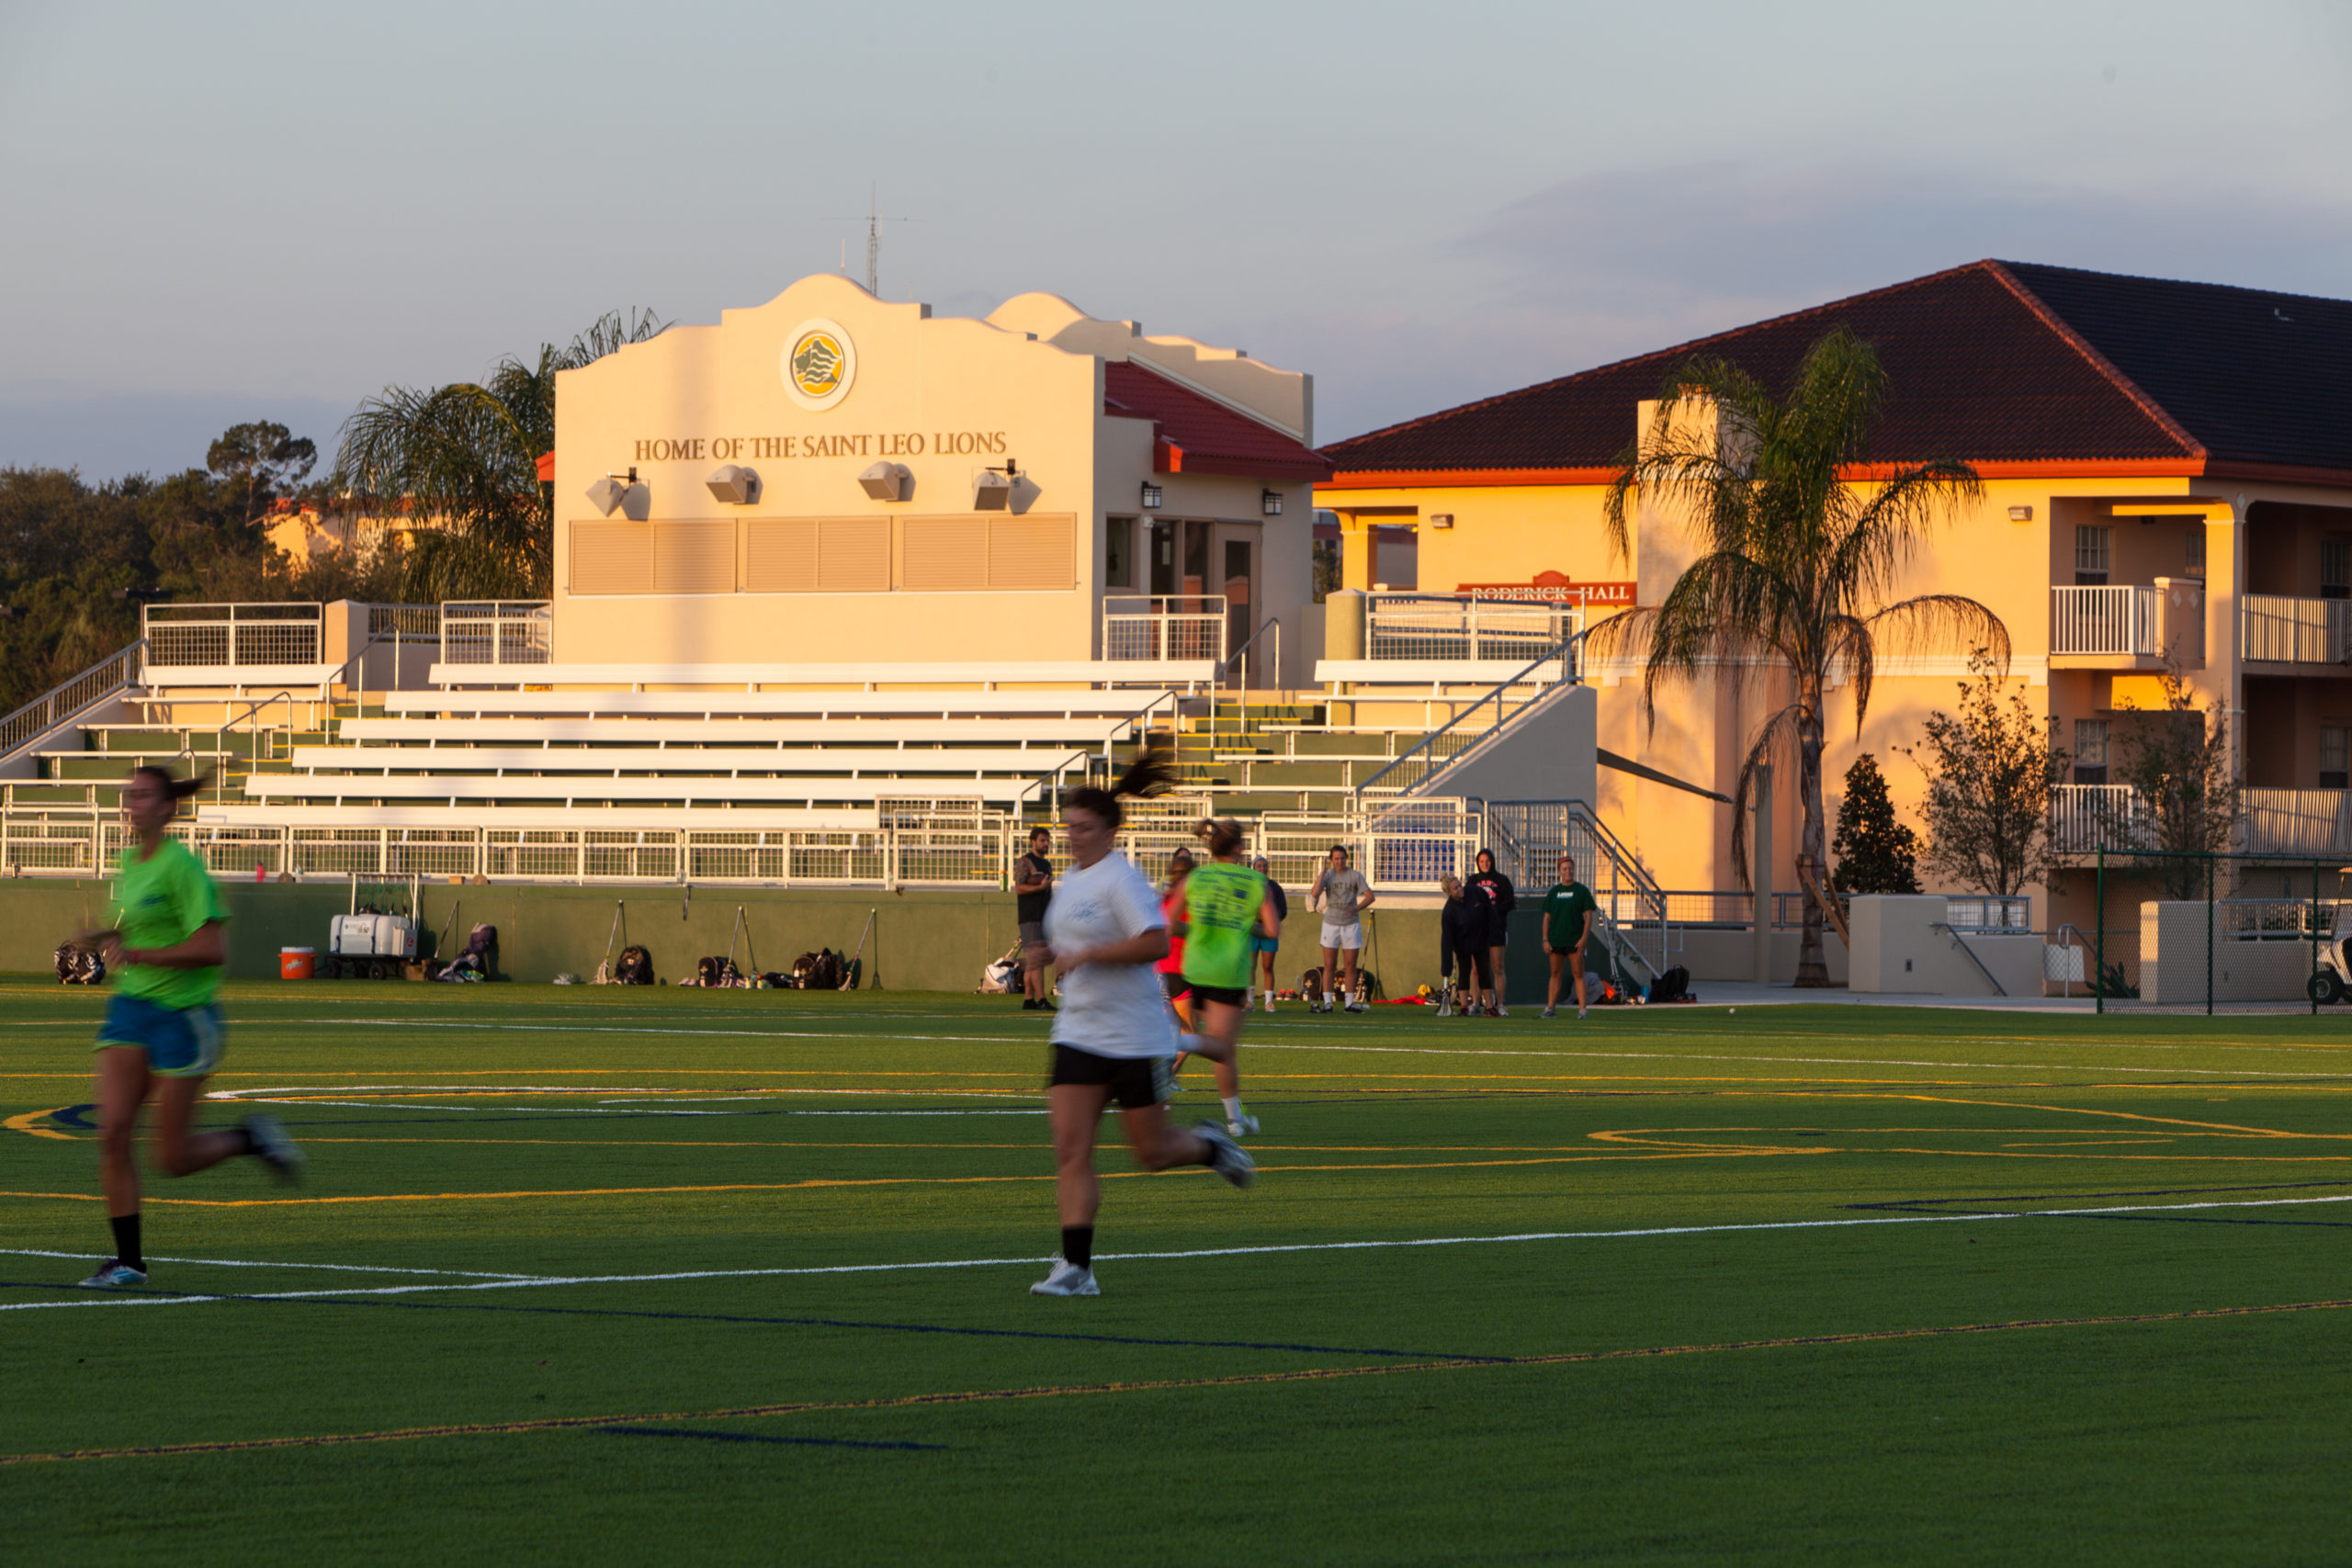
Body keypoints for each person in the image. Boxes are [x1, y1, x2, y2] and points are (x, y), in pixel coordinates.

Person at [69, 766, 303, 1290]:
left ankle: (250, 1138)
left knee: (171, 1158)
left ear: (167, 808)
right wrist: (98, 937)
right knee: (112, 1133)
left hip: (185, 1016)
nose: (132, 804)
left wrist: (137, 951)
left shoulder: (184, 868)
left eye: (143, 796)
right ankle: (129, 1262)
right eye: (128, 795)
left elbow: (211, 949)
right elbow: (132, 926)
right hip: (132, 1007)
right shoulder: (128, 862)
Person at [1030, 755, 1254, 1298]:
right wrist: (1047, 951)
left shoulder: (1121, 879)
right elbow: (1076, 943)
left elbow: (1155, 942)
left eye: (1084, 828)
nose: (1073, 836)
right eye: (1069, 828)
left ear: (1110, 829)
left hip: (1133, 1038)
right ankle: (1077, 1268)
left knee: (1151, 1155)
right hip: (1077, 1032)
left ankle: (1207, 1145)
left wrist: (1090, 956)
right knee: (1069, 1148)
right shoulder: (1072, 879)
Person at [1173, 818, 1277, 1135]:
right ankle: (1172, 1042)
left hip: (1194, 967)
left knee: (1223, 1049)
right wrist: (1246, 927)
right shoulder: (1256, 881)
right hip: (1228, 971)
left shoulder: (1196, 877)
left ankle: (1236, 1120)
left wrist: (1199, 929)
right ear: (1238, 848)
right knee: (1222, 1046)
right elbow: (1272, 930)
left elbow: (1168, 923)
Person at [1307, 844, 1374, 1013]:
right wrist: (1322, 872)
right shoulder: (1328, 876)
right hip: (1331, 924)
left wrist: (1356, 908)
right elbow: (1315, 893)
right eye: (1336, 858)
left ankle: (1349, 1003)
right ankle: (1328, 1003)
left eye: (1342, 858)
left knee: (1350, 965)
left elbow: (1370, 896)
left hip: (1350, 925)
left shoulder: (1354, 875)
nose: (1340, 861)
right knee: (1329, 965)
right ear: (1332, 860)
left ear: (1347, 858)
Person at [1541, 853, 1600, 1020]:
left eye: (1571, 868)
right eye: (1565, 869)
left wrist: (1584, 939)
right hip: (1556, 939)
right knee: (1555, 973)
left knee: (1578, 973)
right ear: (1559, 871)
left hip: (1575, 939)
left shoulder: (1581, 891)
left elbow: (1589, 916)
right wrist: (1545, 939)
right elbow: (1547, 917)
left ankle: (1582, 1010)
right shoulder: (1554, 892)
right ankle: (1550, 1008)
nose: (1568, 871)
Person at [1437, 874, 1496, 1017]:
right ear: (1449, 892)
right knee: (1464, 972)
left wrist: (1493, 931)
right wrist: (1446, 968)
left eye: (1459, 885)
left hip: (1480, 939)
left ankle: (1490, 1007)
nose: (1459, 889)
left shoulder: (1475, 892)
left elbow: (1489, 911)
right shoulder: (1449, 911)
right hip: (1462, 944)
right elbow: (1447, 940)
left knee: (1483, 971)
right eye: (1455, 888)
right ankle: (1464, 1007)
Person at [1469, 848, 1517, 1017]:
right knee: (1476, 969)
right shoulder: (1473, 881)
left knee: (1498, 967)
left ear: (1493, 861)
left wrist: (1493, 910)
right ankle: (1475, 1003)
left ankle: (1500, 1004)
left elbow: (1510, 903)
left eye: (1487, 860)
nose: (1485, 864)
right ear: (1477, 863)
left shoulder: (1502, 881)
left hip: (1496, 930)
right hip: (1477, 931)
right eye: (1481, 861)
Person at [1013, 826, 1057, 1010]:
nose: (1046, 844)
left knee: (1034, 961)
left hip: (1044, 916)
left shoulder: (1046, 864)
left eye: (1047, 841)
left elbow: (1049, 892)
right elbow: (1019, 888)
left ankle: (1028, 999)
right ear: (1033, 842)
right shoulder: (1025, 862)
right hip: (1030, 917)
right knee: (1036, 960)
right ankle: (1041, 999)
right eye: (1042, 840)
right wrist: (1039, 888)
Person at [1157, 848, 1195, 1033]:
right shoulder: (1189, 902)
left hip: (1158, 971)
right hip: (1179, 970)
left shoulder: (1164, 900)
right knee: (1189, 1032)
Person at [1249, 854, 1287, 1011]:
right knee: (1250, 966)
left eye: (1264, 866)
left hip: (1268, 932)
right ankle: (1249, 1001)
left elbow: (1282, 910)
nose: (1262, 868)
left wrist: (1271, 921)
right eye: (1259, 866)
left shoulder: (1274, 887)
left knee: (1267, 966)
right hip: (1252, 932)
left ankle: (1268, 1002)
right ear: (1253, 868)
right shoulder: (1248, 886)